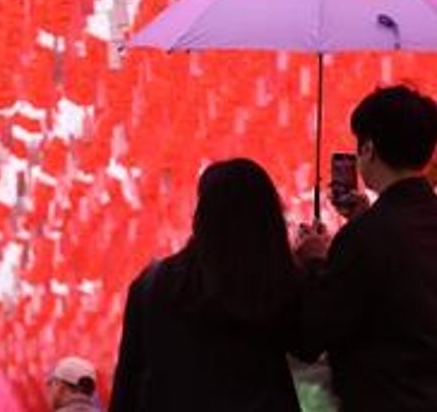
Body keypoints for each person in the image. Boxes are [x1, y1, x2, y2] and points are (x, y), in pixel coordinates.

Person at [295, 85, 437, 411]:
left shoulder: (365, 236)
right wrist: (364, 221)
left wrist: (313, 262)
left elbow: (311, 335)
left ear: (368, 149)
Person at [110, 158, 302, 411]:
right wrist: (314, 266)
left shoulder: (152, 285)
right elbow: (308, 345)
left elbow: (127, 386)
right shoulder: (275, 284)